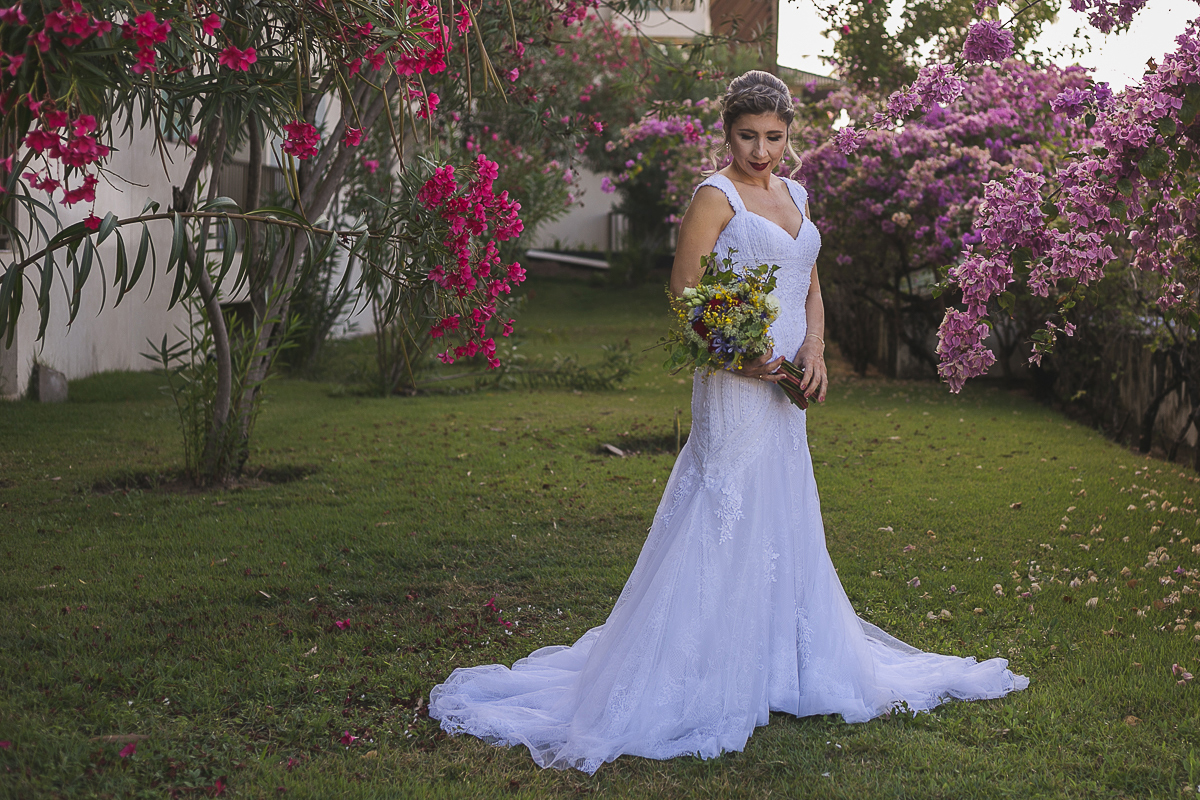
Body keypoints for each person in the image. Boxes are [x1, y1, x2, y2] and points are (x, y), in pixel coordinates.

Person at [429, 70, 1028, 775]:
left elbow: (808, 283)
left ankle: (780, 665)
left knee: (781, 508)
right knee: (723, 505)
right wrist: (737, 355)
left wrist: (815, 350)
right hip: (735, 380)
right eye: (749, 136)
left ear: (788, 134)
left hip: (787, 382)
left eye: (774, 137)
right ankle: (697, 668)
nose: (762, 150)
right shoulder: (714, 197)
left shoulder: (796, 193)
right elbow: (684, 291)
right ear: (727, 132)